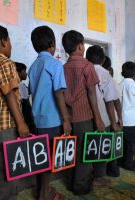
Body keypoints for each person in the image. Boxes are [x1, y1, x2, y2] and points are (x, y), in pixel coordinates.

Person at [0, 23, 29, 200]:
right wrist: (21, 123)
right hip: (5, 124)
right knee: (9, 171)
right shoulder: (5, 62)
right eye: (10, 41)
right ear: (3, 42)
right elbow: (9, 94)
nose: (11, 45)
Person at [28, 26, 71, 200]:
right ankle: (44, 194)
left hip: (36, 120)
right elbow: (58, 92)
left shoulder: (33, 66)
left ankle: (42, 191)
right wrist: (66, 119)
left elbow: (32, 92)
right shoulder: (54, 63)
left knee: (41, 158)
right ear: (52, 44)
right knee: (48, 160)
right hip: (52, 121)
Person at [62, 30, 105, 195]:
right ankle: (80, 187)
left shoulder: (64, 67)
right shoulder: (87, 66)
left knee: (71, 152)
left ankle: (72, 182)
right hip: (84, 118)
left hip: (67, 119)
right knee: (85, 154)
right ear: (81, 46)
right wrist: (98, 118)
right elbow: (92, 93)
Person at [86, 45, 121, 181]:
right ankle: (99, 176)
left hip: (86, 117)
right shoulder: (104, 73)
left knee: (87, 147)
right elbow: (110, 100)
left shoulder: (85, 69)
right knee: (101, 148)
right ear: (103, 59)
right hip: (103, 118)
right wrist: (114, 122)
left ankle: (88, 174)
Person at [120, 61, 135, 171]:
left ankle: (121, 161)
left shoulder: (119, 85)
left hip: (120, 120)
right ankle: (129, 163)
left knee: (122, 143)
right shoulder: (133, 85)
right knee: (131, 144)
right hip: (132, 120)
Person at [15, 62, 36, 133]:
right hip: (25, 112)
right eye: (24, 71)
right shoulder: (19, 85)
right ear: (18, 72)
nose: (26, 73)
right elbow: (25, 101)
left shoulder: (21, 85)